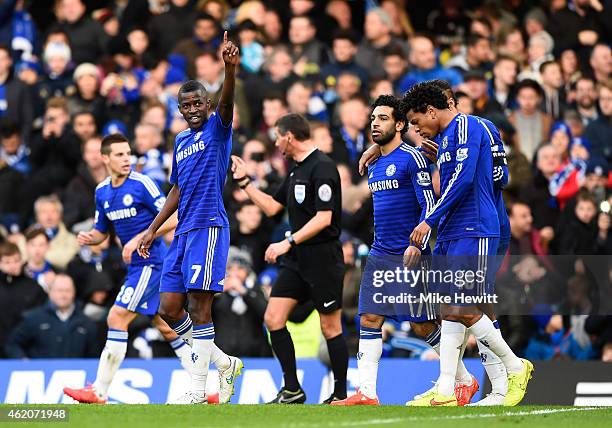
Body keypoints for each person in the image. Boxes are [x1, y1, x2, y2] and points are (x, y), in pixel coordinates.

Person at [404, 81, 533, 407]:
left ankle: (516, 367)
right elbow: (476, 175)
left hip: (473, 228)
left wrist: (429, 219)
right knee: (454, 309)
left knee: (457, 307)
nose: (417, 129)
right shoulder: (449, 138)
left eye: (418, 121)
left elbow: (471, 180)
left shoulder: (467, 126)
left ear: (432, 110)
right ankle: (447, 389)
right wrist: (442, 159)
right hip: (455, 230)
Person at [137, 32, 242, 405]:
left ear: (208, 104)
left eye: (199, 102)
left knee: (199, 307)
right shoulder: (180, 141)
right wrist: (151, 230)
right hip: (182, 231)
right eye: (187, 105)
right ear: (180, 110)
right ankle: (224, 363)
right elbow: (176, 190)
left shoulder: (218, 128)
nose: (193, 108)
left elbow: (227, 104)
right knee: (167, 308)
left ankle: (198, 392)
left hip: (209, 227)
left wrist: (230, 70)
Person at [61, 133, 196, 404]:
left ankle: (99, 390)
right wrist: (91, 238)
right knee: (166, 325)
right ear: (105, 158)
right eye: (120, 154)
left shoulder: (142, 183)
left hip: (152, 262)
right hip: (138, 266)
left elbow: (176, 216)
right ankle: (206, 383)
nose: (126, 159)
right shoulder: (102, 191)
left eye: (128, 153)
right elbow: (103, 231)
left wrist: (140, 238)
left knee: (117, 317)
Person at [230, 113, 348, 404]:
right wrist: (245, 182)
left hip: (323, 259)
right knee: (273, 318)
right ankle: (293, 388)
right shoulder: (296, 170)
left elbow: (324, 218)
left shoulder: (323, 167)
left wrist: (288, 241)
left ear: (289, 137)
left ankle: (341, 394)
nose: (276, 143)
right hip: (298, 261)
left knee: (330, 327)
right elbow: (271, 207)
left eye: (277, 137)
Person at [330, 95, 440, 406]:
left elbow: (429, 205)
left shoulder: (413, 159)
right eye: (373, 118)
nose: (375, 123)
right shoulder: (376, 161)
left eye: (383, 118)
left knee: (422, 326)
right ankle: (367, 392)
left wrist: (416, 244)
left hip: (410, 254)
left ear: (401, 124)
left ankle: (460, 378)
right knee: (368, 319)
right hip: (380, 253)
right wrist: (376, 149)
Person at [5, 273, 99, 359]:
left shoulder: (86, 323)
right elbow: (12, 344)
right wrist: (23, 361)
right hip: (40, 375)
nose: (63, 295)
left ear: (74, 293)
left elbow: (94, 355)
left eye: (68, 290)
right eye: (59, 290)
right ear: (50, 292)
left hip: (75, 375)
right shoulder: (33, 318)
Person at [0, 241, 47, 357]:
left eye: (16, 261)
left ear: (22, 260)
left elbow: (40, 317)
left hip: (25, 350)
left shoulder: (33, 287)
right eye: (7, 262)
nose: (12, 265)